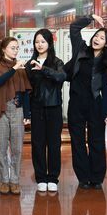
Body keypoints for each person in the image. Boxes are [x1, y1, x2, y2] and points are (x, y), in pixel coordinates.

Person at [66, 15, 107, 190]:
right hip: (76, 102)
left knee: (96, 140)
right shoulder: (81, 49)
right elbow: (74, 28)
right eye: (96, 36)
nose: (97, 39)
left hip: (95, 103)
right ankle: (83, 177)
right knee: (77, 140)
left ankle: (97, 177)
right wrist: (91, 17)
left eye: (102, 38)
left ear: (106, 44)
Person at [0, 37, 31, 196]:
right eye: (12, 47)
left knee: (17, 148)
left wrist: (27, 114)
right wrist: (14, 68)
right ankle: (4, 180)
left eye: (17, 48)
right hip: (1, 109)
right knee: (1, 148)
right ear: (3, 49)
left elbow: (25, 92)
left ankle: (15, 180)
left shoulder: (20, 67)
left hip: (17, 108)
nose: (16, 50)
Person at [25, 29, 66, 193]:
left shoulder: (57, 62)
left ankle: (53, 177)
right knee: (38, 144)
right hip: (37, 108)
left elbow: (61, 77)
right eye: (37, 42)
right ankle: (41, 177)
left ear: (49, 43)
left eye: (43, 41)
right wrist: (27, 112)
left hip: (54, 107)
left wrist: (43, 69)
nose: (39, 45)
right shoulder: (30, 64)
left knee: (54, 144)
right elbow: (27, 89)